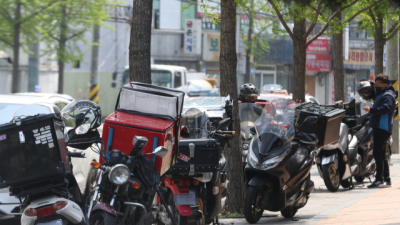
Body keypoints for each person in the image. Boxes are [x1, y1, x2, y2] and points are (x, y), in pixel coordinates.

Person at [362, 74, 395, 188]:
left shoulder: (388, 95)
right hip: (379, 127)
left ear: (382, 83)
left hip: (382, 127)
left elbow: (387, 108)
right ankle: (386, 178)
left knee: (377, 153)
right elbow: (372, 94)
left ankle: (379, 179)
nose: (375, 85)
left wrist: (372, 110)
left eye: (377, 83)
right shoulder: (381, 93)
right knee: (381, 154)